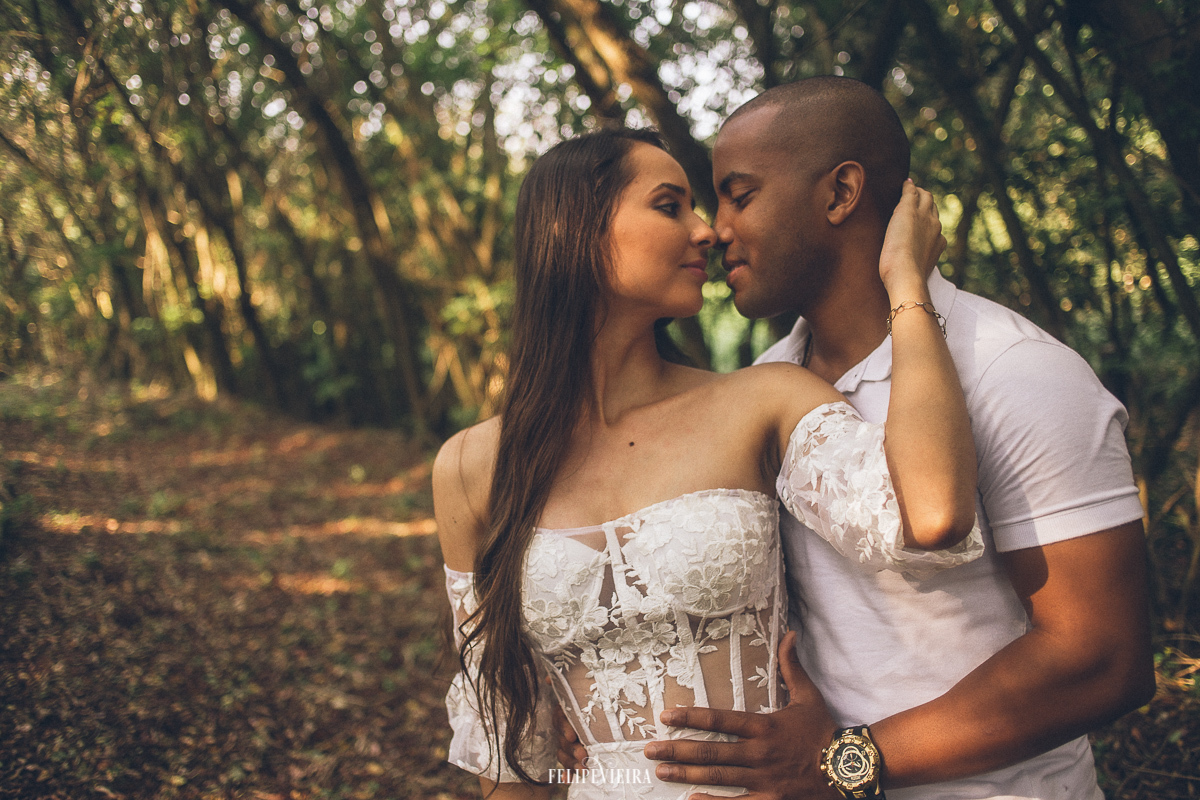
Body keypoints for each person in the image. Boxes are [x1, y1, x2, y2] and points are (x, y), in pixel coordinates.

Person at [556, 77, 1155, 799]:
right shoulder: (765, 385)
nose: (715, 229)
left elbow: (1101, 658)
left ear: (840, 194)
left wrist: (847, 761)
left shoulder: (1015, 371)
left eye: (738, 195)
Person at [434, 125, 984, 800]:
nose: (707, 233)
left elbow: (933, 514)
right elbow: (508, 758)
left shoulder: (763, 401)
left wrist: (906, 283)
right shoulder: (471, 466)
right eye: (671, 206)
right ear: (573, 230)